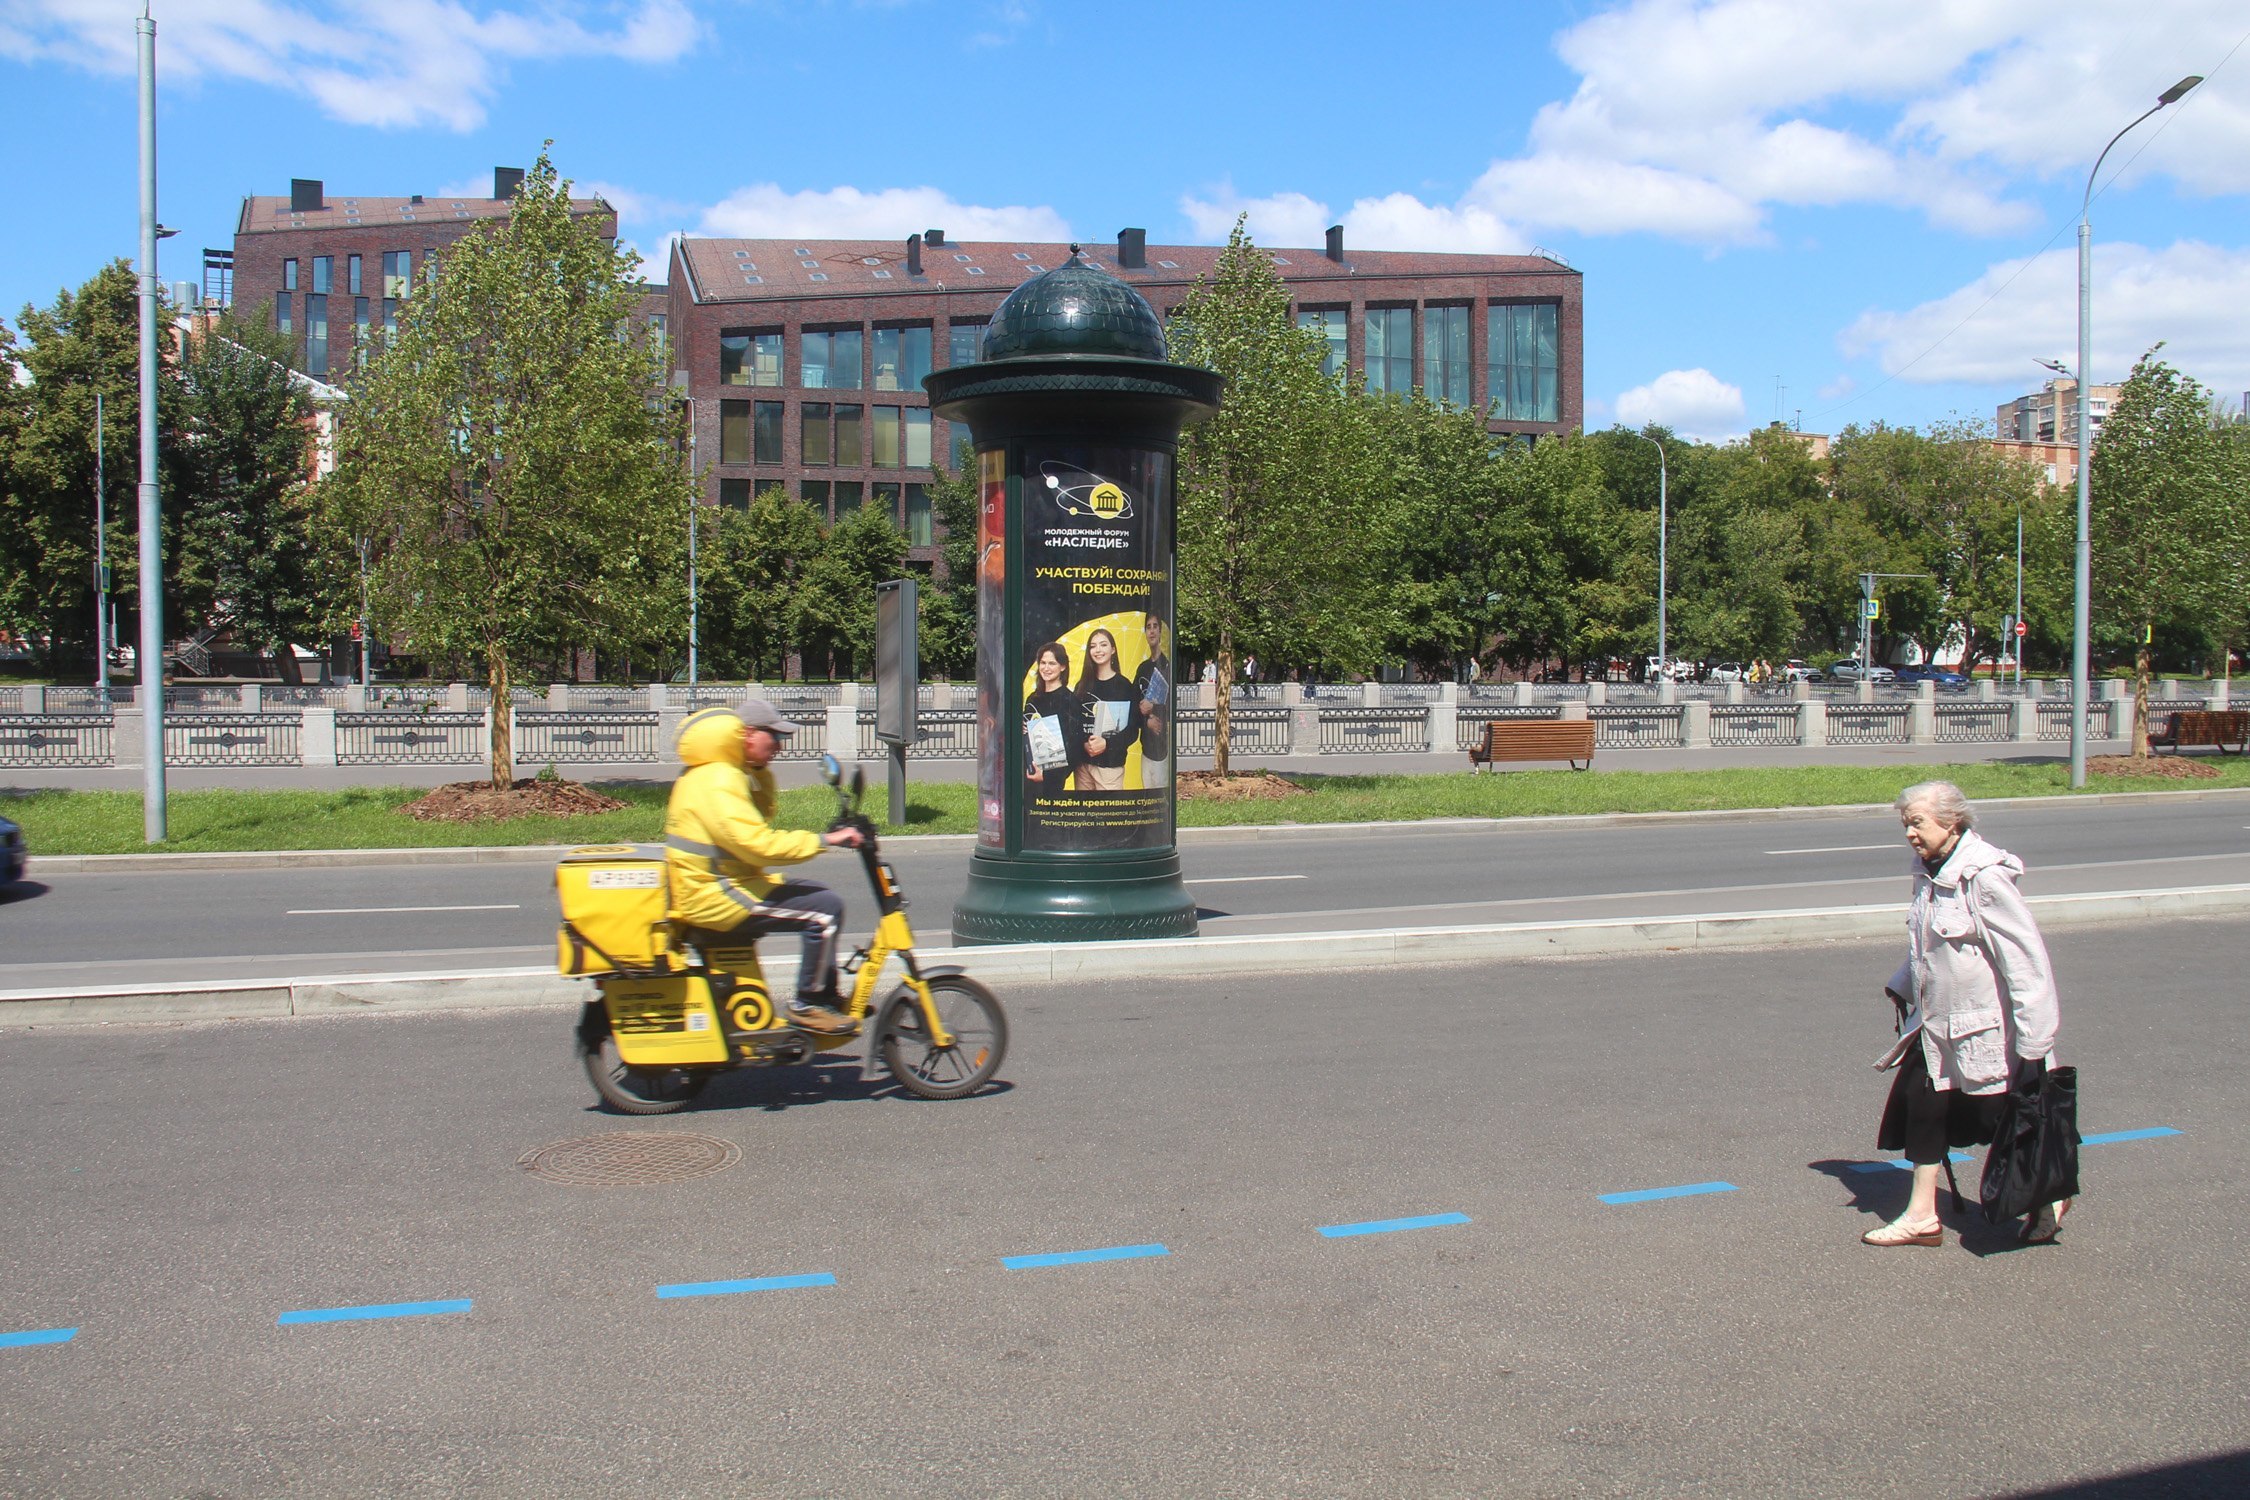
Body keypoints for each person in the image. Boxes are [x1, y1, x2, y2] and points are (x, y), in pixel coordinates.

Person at [1866, 781, 2066, 1247]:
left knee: (2003, 1119)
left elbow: (2026, 962)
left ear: (1951, 821)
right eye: (1905, 826)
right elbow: (1931, 945)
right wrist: (1902, 983)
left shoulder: (1984, 878)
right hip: (1936, 1028)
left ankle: (2045, 1198)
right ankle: (1920, 1216)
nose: (1910, 834)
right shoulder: (1930, 872)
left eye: (1917, 823)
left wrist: (2036, 1042)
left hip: (1985, 1033)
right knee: (1923, 1110)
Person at [663, 700, 865, 1035]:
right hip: (715, 895)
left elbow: (759, 816)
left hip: (721, 885)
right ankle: (809, 1003)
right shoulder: (719, 779)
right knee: (824, 910)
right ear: (747, 734)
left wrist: (757, 769)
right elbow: (757, 844)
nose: (780, 747)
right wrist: (826, 841)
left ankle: (825, 996)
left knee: (820, 895)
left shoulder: (723, 773)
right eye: (773, 737)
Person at [1074, 626, 1140, 791]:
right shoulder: (1081, 686)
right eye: (1093, 646)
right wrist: (1083, 744)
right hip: (1082, 764)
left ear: (1113, 650)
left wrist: (1107, 744)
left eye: (1103, 645)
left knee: (1109, 815)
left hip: (1110, 766)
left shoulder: (1124, 686)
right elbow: (1073, 723)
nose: (1098, 650)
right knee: (1083, 816)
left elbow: (1132, 731)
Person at [1023, 641, 1084, 787]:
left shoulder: (1070, 701)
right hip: (1028, 771)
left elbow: (1074, 746)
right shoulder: (1033, 698)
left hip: (1051, 780)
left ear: (1062, 667)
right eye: (1042, 663)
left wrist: (1048, 776)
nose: (1046, 668)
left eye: (1052, 663)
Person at [1134, 615, 1172, 789]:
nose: (1151, 630)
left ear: (1160, 631)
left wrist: (1154, 707)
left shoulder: (1167, 666)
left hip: (1163, 745)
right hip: (1146, 746)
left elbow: (1172, 705)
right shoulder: (1142, 668)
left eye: (1155, 626)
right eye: (1148, 627)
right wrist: (1146, 721)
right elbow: (1133, 704)